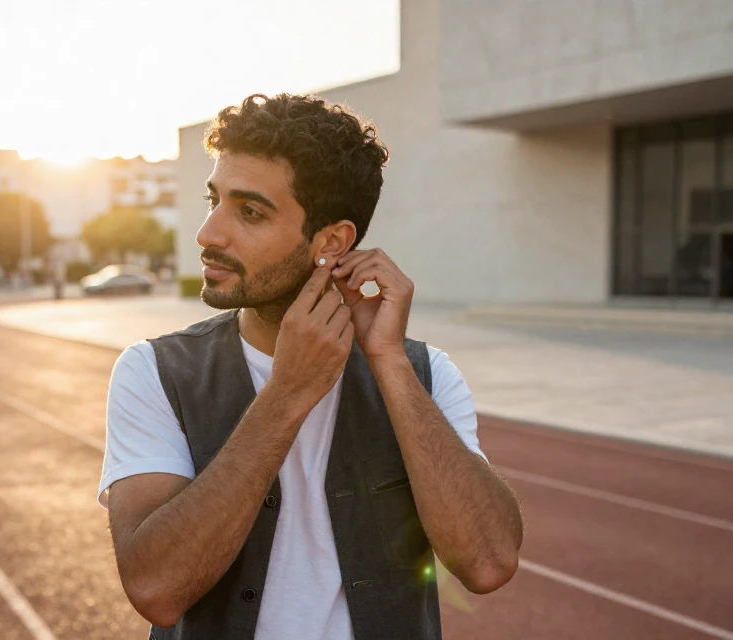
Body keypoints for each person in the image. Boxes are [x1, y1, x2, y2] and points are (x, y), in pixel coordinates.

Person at [98, 94, 523, 640]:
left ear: (331, 242)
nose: (208, 233)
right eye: (214, 200)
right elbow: (155, 589)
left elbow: (488, 563)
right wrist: (285, 395)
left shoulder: (426, 373)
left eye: (249, 211)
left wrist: (389, 362)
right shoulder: (154, 371)